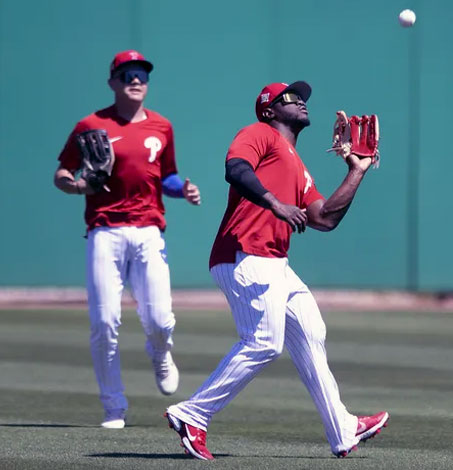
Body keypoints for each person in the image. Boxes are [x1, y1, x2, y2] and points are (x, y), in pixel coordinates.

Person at [164, 81, 388, 459]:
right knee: (264, 343)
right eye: (290, 98)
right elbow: (235, 169)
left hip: (273, 261)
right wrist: (275, 203)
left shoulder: (297, 165)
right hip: (244, 253)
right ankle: (193, 414)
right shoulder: (259, 133)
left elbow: (324, 218)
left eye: (302, 98)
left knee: (311, 331)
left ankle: (343, 428)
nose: (301, 102)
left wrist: (357, 171)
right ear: (269, 110)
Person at [53, 50, 201, 429]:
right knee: (104, 321)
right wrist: (77, 186)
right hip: (105, 229)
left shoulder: (161, 126)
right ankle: (113, 406)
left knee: (161, 320)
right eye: (127, 74)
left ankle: (161, 353)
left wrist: (182, 189)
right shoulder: (91, 124)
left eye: (142, 75)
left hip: (149, 229)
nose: (136, 80)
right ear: (112, 82)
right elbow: (63, 173)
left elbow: (166, 176)